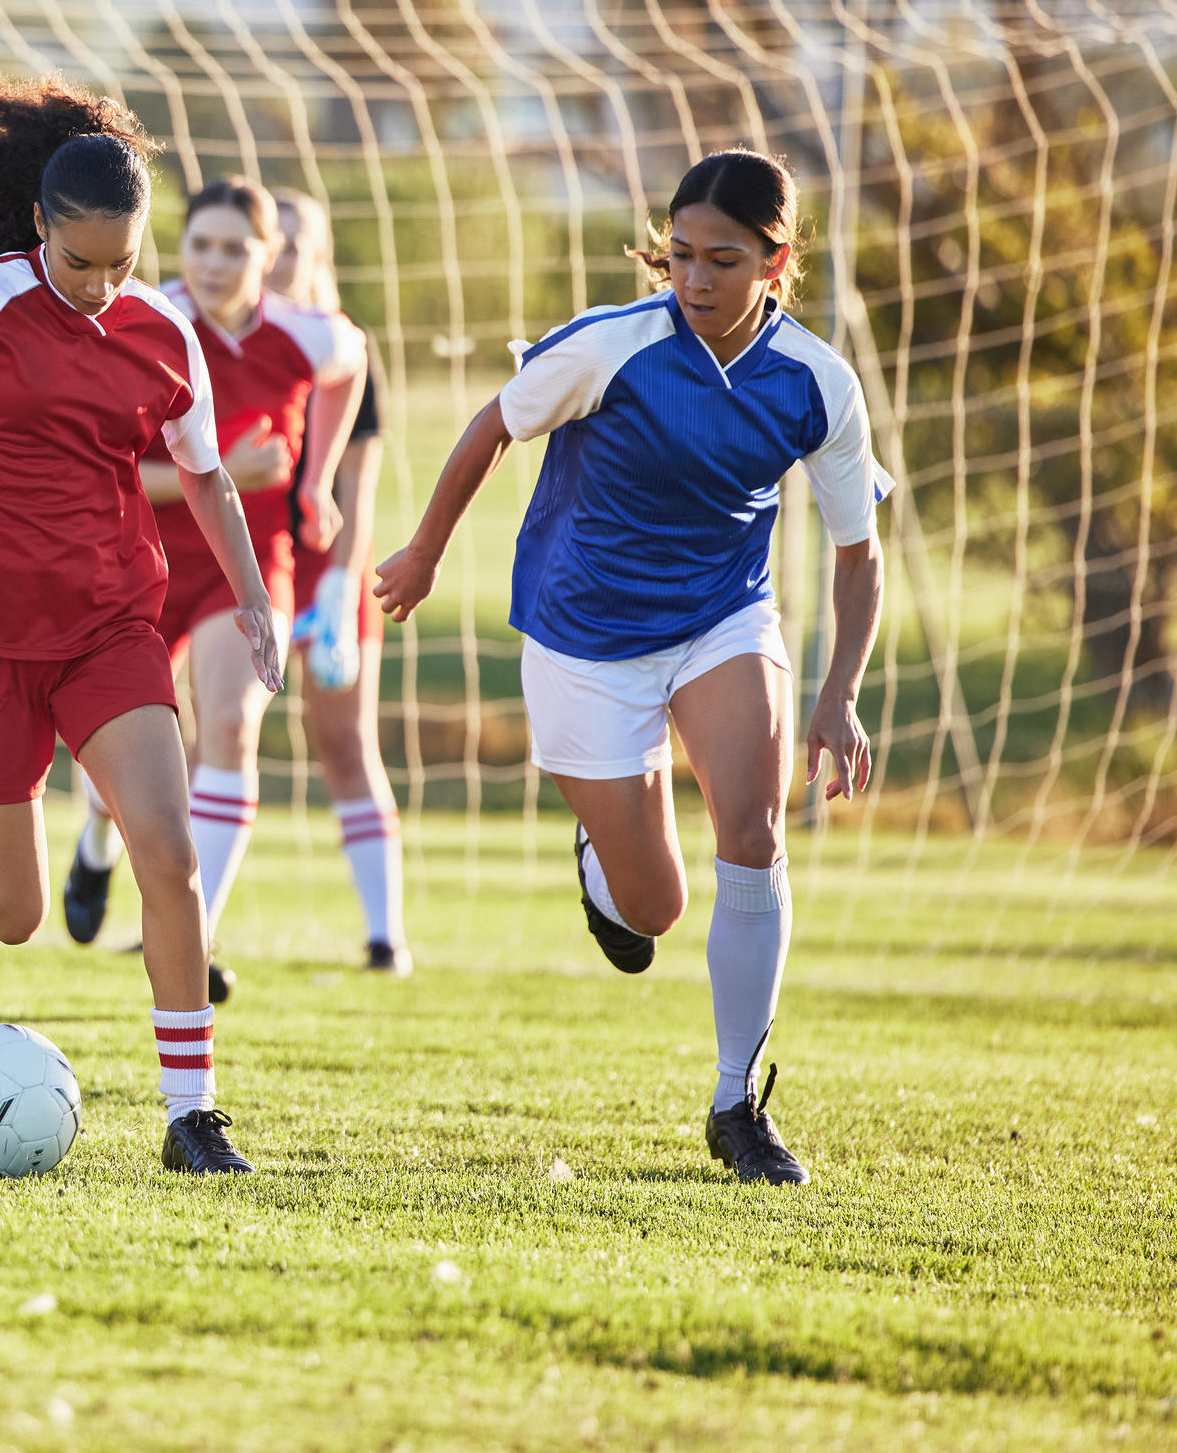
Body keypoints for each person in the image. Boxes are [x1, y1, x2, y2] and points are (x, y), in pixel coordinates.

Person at [373, 149, 887, 1185]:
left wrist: (837, 695)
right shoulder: (612, 346)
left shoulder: (817, 383)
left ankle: (736, 1102)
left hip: (721, 620)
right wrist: (423, 550)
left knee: (752, 828)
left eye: (722, 259)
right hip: (581, 636)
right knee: (652, 906)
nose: (694, 279)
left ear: (775, 261)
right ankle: (603, 858)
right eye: (679, 255)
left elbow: (856, 551)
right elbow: (490, 427)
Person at [0, 78, 284, 1176]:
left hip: (106, 626)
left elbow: (207, 477)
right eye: (80, 261)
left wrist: (256, 598)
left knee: (166, 852)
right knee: (19, 914)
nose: (100, 284)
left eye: (122, 262)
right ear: (39, 223)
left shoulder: (163, 331)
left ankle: (192, 1113)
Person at [56, 179, 363, 1003]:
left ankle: (199, 928)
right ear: (180, 250)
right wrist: (224, 473)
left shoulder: (303, 333)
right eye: (203, 246)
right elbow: (102, 468)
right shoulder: (145, 323)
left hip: (248, 563)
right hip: (139, 557)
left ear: (271, 256)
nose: (218, 262)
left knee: (227, 725)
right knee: (121, 754)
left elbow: (353, 360)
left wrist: (315, 481)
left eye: (238, 248)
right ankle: (96, 837)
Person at [266, 187, 413, 976]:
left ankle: (386, 936)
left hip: (328, 570)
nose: (281, 255)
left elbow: (360, 493)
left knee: (345, 742)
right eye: (272, 240)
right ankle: (184, 916)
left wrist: (335, 590)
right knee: (197, 738)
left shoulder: (347, 350)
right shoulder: (222, 340)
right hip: (241, 566)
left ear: (317, 255)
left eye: (297, 242)